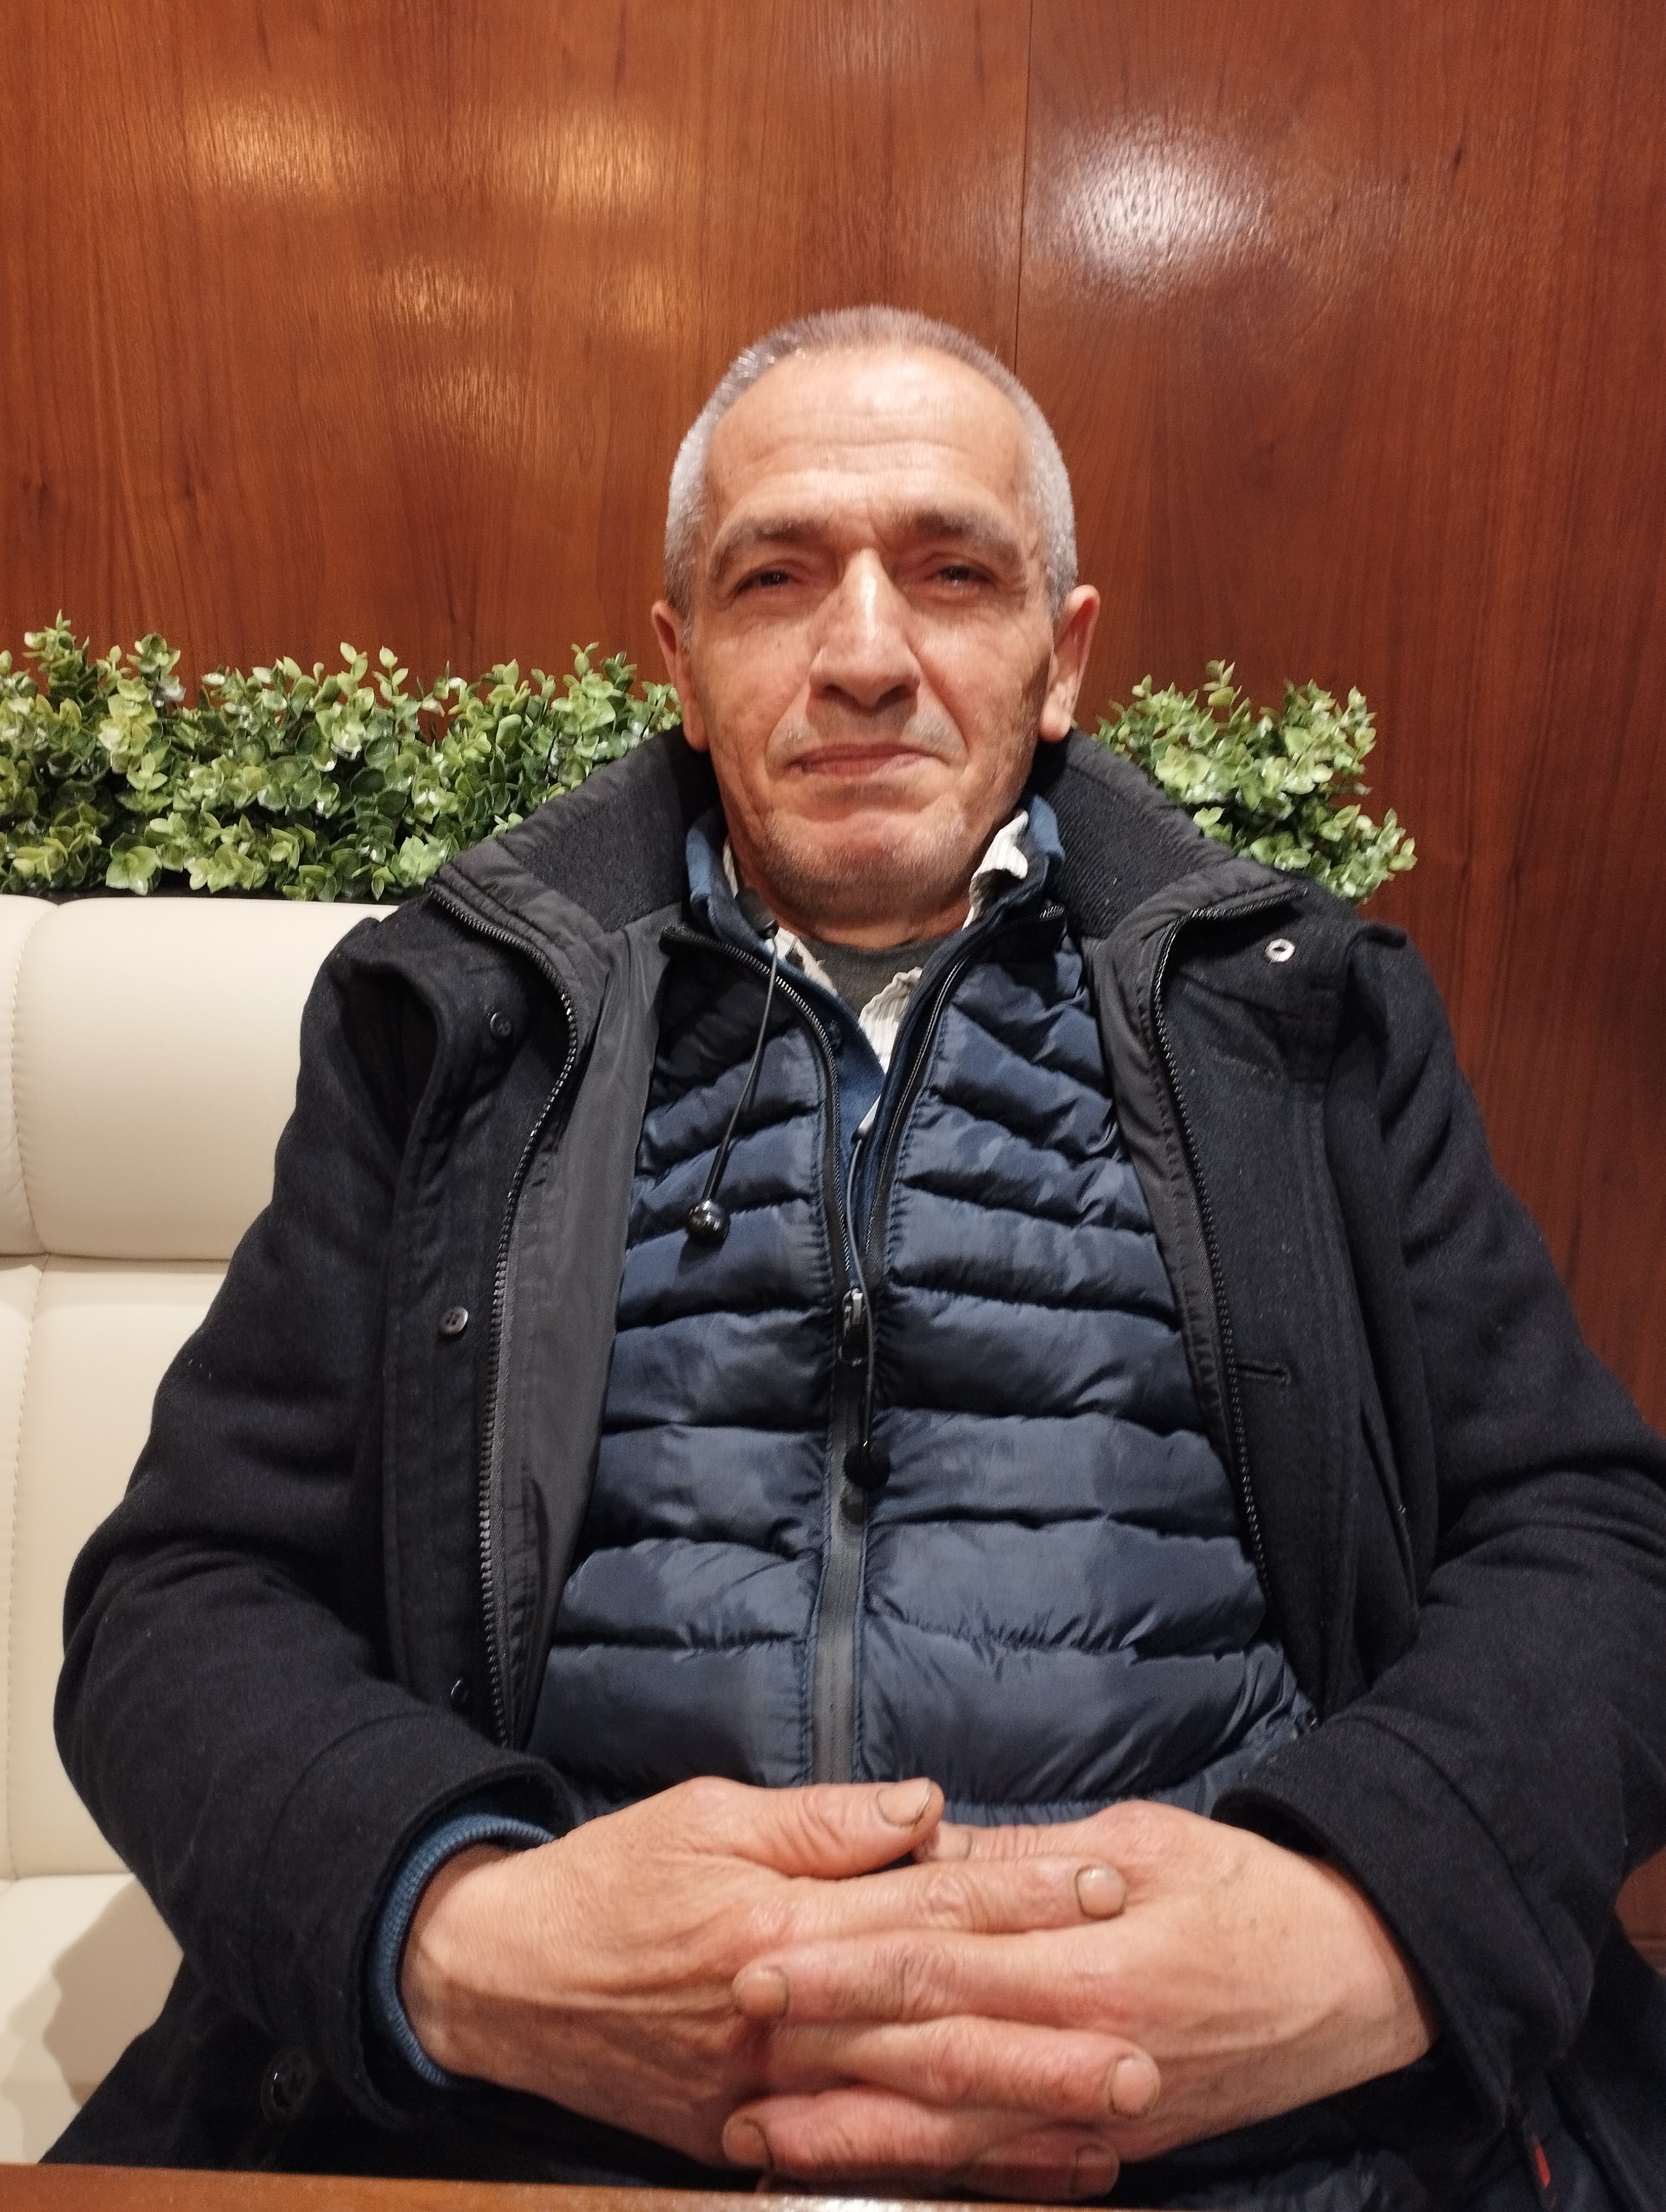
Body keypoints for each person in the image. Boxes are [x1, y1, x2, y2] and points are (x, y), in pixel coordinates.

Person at [50, 307, 1666, 2210]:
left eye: (955, 573)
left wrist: (1367, 1928)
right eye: (777, 578)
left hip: (1258, 2160)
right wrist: (459, 1936)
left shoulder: (1298, 1021)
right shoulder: (458, 1025)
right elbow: (180, 1594)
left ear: (1062, 657)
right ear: (680, 661)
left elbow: (1595, 1542)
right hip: (540, 2150)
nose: (869, 653)